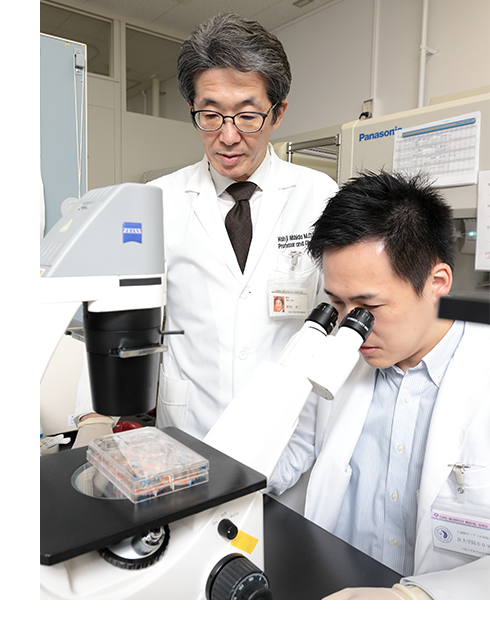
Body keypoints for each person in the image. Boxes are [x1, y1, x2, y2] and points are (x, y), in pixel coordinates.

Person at [72, 13, 338, 446]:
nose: (228, 137)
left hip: (288, 431)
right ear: (192, 110)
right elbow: (119, 310)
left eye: (247, 116)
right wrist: (94, 416)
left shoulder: (320, 196)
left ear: (278, 113)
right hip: (189, 430)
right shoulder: (155, 201)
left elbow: (340, 316)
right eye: (210, 115)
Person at [269, 170, 490, 600]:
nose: (351, 326)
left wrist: (414, 601)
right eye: (337, 304)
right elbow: (292, 449)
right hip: (333, 590)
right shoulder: (343, 359)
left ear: (437, 283)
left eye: (367, 306)